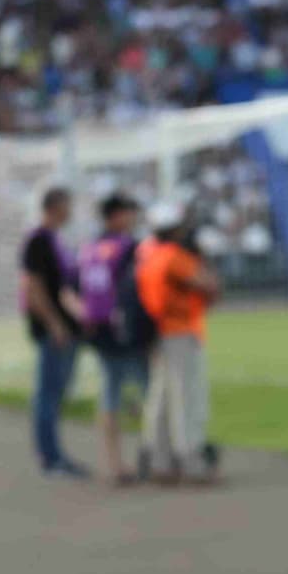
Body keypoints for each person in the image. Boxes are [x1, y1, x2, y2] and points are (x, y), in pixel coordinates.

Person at [137, 199, 221, 485]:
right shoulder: (175, 256)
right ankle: (191, 462)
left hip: (157, 332)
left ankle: (159, 461)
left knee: (160, 399)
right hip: (180, 331)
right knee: (185, 398)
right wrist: (202, 260)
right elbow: (209, 285)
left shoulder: (149, 254)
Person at [77, 194, 154, 486]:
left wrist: (85, 316)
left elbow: (72, 289)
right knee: (149, 393)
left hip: (99, 331)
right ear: (117, 215)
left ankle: (114, 464)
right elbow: (139, 288)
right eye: (129, 212)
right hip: (127, 329)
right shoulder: (129, 247)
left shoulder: (89, 248)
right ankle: (153, 458)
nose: (132, 217)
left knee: (110, 393)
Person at [19, 186, 88, 478]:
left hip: (66, 329)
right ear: (55, 207)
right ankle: (51, 458)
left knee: (56, 394)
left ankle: (55, 454)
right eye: (66, 204)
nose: (70, 211)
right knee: (48, 395)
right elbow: (33, 288)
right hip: (54, 331)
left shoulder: (55, 240)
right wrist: (54, 324)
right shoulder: (38, 241)